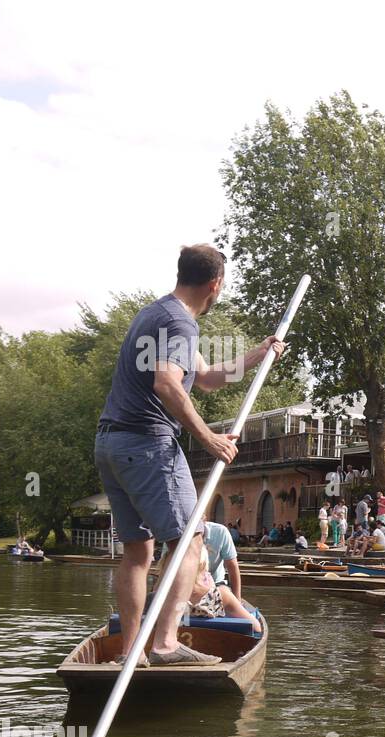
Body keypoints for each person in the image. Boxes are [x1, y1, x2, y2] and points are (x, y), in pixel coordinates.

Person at [93, 243, 284, 666]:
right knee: (190, 542)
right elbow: (166, 383)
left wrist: (259, 353)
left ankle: (130, 653)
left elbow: (209, 378)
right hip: (147, 443)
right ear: (215, 285)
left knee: (139, 551)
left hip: (111, 443)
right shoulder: (180, 322)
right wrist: (206, 437)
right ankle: (162, 644)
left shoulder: (158, 313)